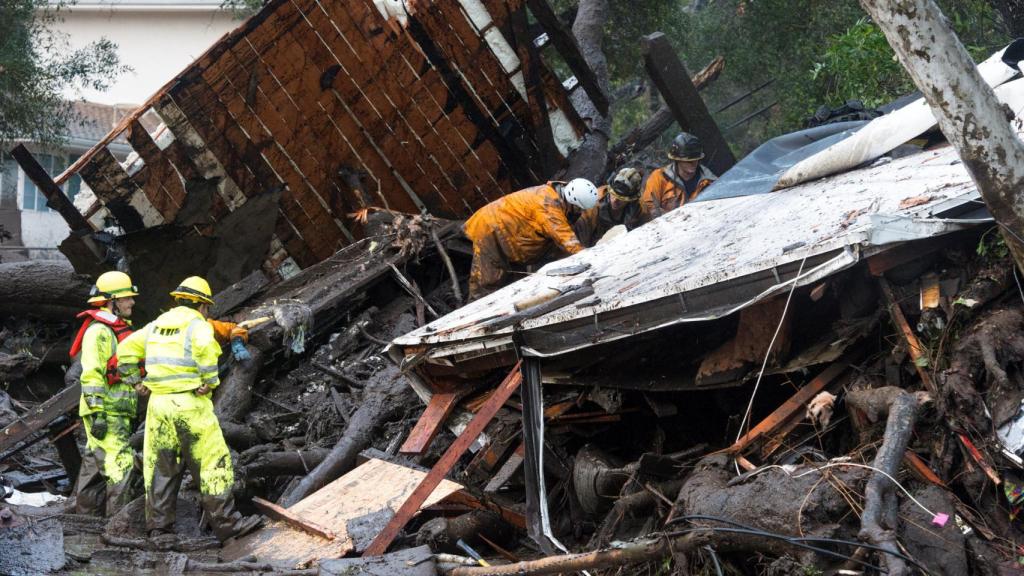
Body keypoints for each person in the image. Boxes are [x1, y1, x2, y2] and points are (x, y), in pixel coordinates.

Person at [117, 276, 260, 542]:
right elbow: (207, 352)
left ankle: (159, 531)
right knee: (211, 464)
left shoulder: (156, 326)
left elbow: (124, 351)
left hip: (158, 406)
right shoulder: (198, 326)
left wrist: (136, 382)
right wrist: (210, 382)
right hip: (189, 404)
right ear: (202, 305)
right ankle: (228, 526)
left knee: (161, 468)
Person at [71, 271, 141, 516]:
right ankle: (122, 529)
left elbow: (121, 368)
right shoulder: (100, 332)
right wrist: (97, 411)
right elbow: (91, 375)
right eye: (126, 298)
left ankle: (85, 520)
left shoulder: (113, 330)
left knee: (94, 467)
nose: (132, 302)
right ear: (111, 301)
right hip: (107, 412)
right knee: (119, 467)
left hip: (114, 410)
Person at [463, 178, 598, 300]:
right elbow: (565, 238)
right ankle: (470, 317)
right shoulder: (548, 204)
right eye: (579, 209)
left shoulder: (555, 196)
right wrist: (586, 256)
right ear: (573, 201)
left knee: (513, 282)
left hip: (507, 232)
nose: (580, 213)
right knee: (487, 280)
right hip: (490, 228)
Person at [641, 132, 717, 219]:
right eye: (688, 161)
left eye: (696, 159)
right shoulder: (659, 177)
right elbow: (648, 209)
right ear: (677, 160)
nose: (693, 163)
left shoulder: (710, 181)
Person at [573, 167, 645, 247]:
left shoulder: (638, 209)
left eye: (621, 199)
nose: (614, 200)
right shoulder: (594, 203)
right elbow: (579, 239)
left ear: (631, 199)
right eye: (613, 195)